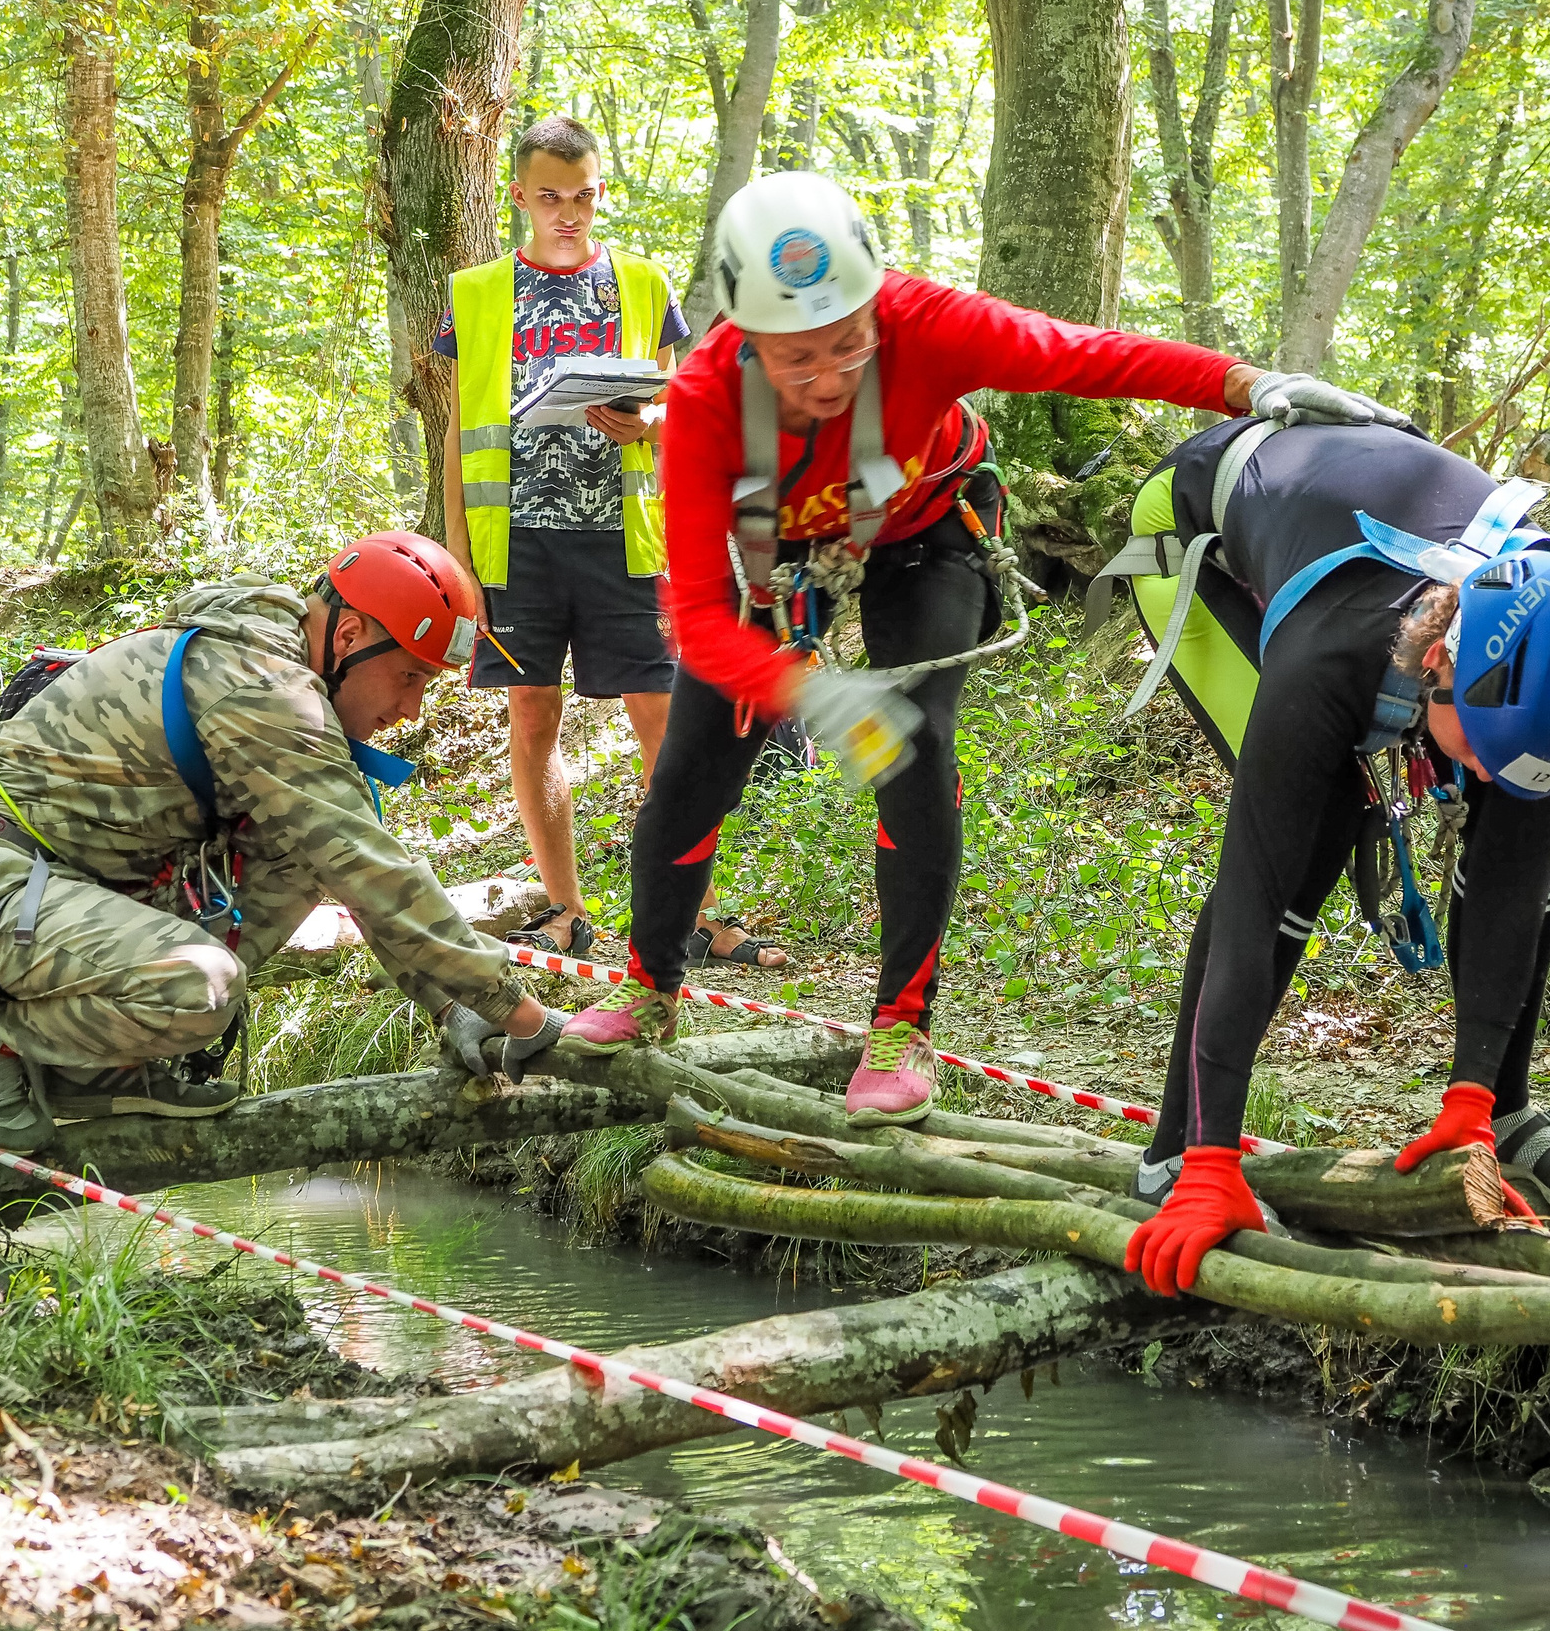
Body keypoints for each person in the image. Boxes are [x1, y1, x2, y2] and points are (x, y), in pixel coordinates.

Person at [552, 170, 1412, 1122]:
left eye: (848, 343)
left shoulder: (924, 323)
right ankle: (649, 987)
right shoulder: (712, 400)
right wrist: (809, 693)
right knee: (692, 771)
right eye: (798, 359)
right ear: (746, 338)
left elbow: (1084, 356)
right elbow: (703, 621)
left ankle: (902, 1023)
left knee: (911, 746)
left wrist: (1248, 384)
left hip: (928, 532)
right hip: (777, 555)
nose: (831, 377)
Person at [1106, 416, 1550, 1300]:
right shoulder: (1333, 654)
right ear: (1439, 658)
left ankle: (1498, 1113)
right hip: (1192, 533)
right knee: (1299, 843)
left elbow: (1512, 877)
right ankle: (1179, 1155)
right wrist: (1215, 1163)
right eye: (1476, 750)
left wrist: (1466, 1102)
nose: (1482, 776)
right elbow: (1251, 890)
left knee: (1519, 842)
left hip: (1376, 551)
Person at [0, 534, 567, 1152]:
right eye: (409, 677)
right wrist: (519, 1012)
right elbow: (368, 864)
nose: (412, 710)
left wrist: (455, 1007)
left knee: (299, 856)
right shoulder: (261, 687)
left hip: (58, 890)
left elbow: (348, 864)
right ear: (351, 636)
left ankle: (88, 1065)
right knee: (200, 989)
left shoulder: (275, 660)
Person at [438, 114, 787, 971]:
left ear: (601, 191)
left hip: (624, 539)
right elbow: (456, 425)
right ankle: (563, 910)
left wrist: (650, 425)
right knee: (532, 717)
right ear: (518, 194)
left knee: (662, 724)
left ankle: (697, 912)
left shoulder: (641, 281)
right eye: (550, 197)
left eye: (584, 195)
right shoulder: (477, 291)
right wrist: (455, 553)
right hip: (513, 541)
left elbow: (692, 401)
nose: (569, 212)